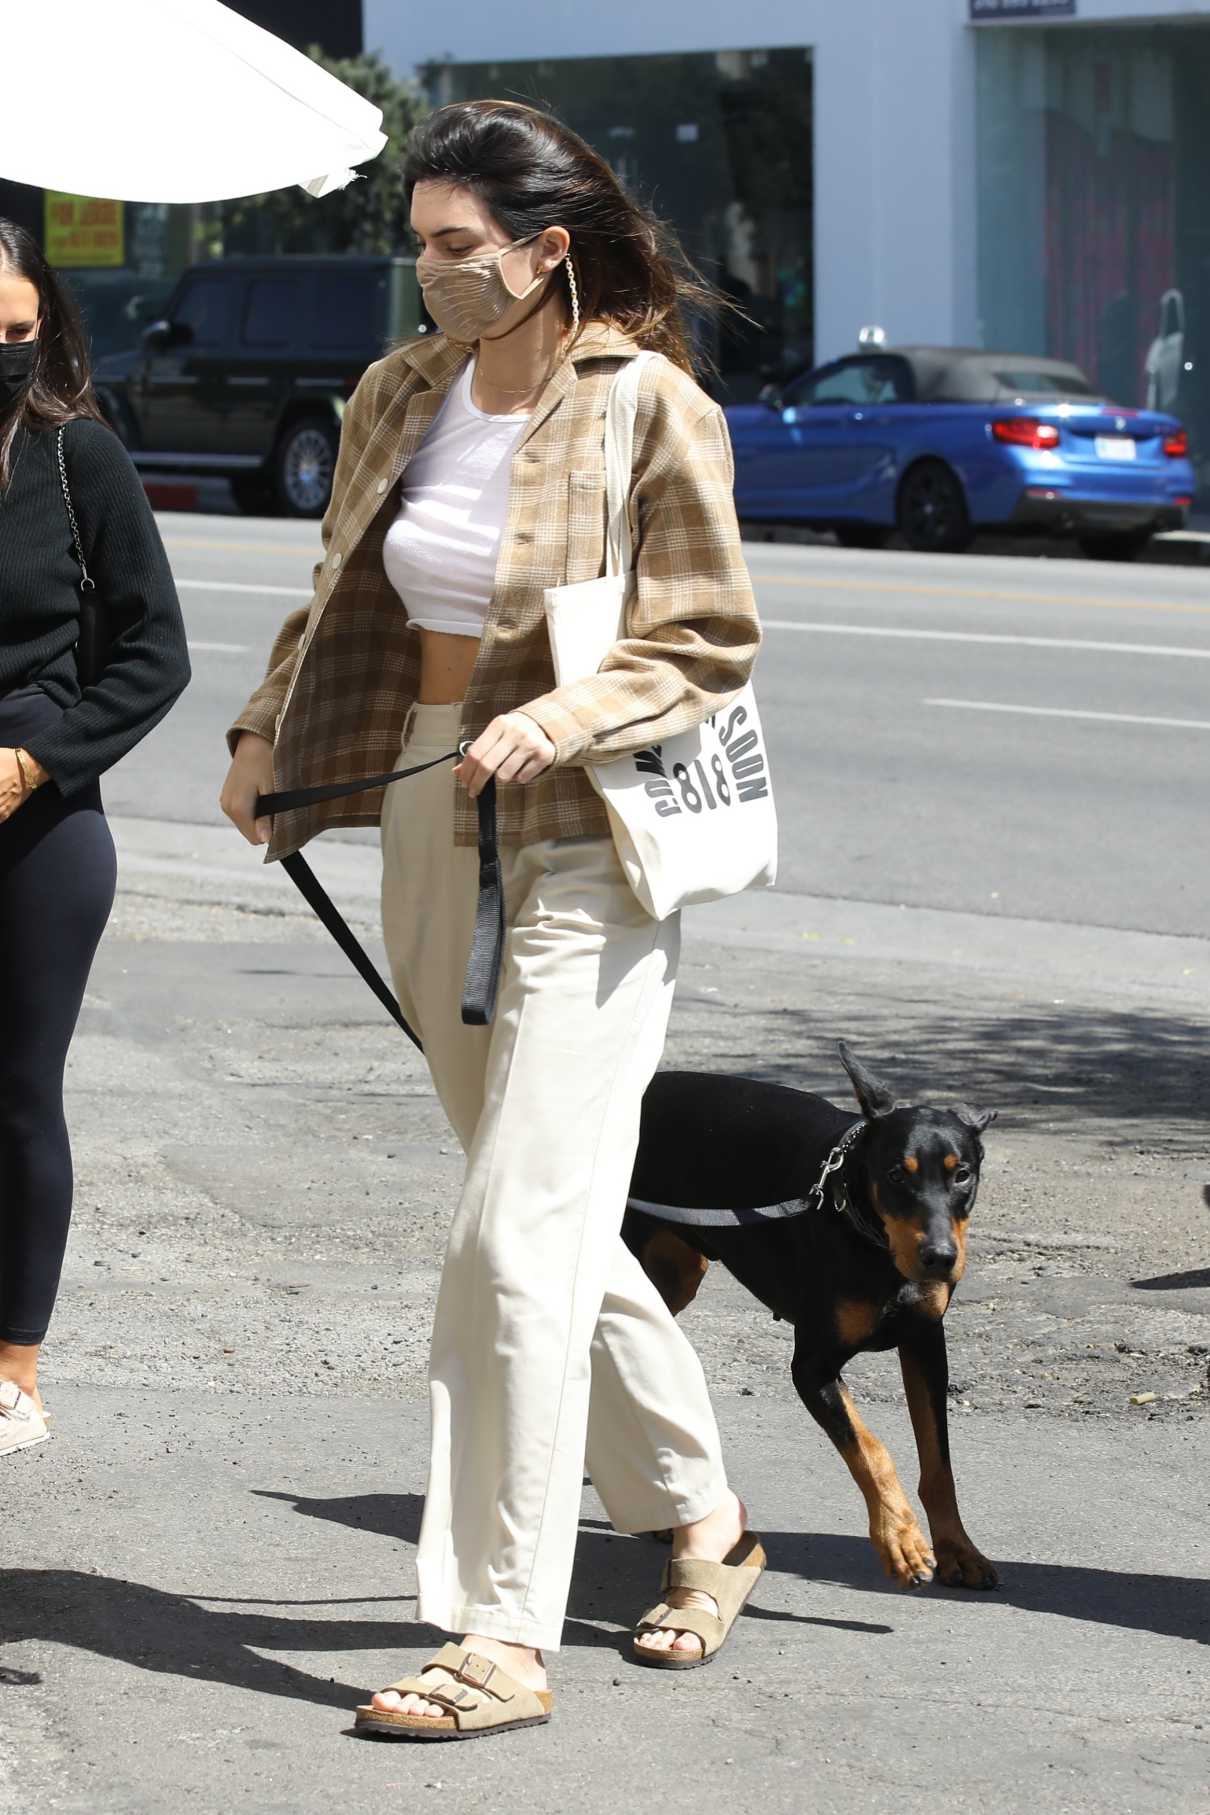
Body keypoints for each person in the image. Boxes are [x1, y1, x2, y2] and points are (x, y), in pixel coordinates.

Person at [220, 99, 764, 1740]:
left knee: (514, 1232)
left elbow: (711, 637)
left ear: (549, 251)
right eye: (424, 248)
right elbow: (336, 593)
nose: (434, 275)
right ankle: (705, 1515)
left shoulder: (648, 406)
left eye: (462, 249)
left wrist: (577, 706)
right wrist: (263, 738)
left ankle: (498, 1635)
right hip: (418, 803)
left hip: (584, 834)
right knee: (539, 1207)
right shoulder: (401, 390)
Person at [0, 222, 190, 1456]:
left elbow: (154, 655)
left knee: (14, 1094)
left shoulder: (79, 458)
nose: (2, 355)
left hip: (37, 826)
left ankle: (10, 1368)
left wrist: (31, 762)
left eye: (17, 334)